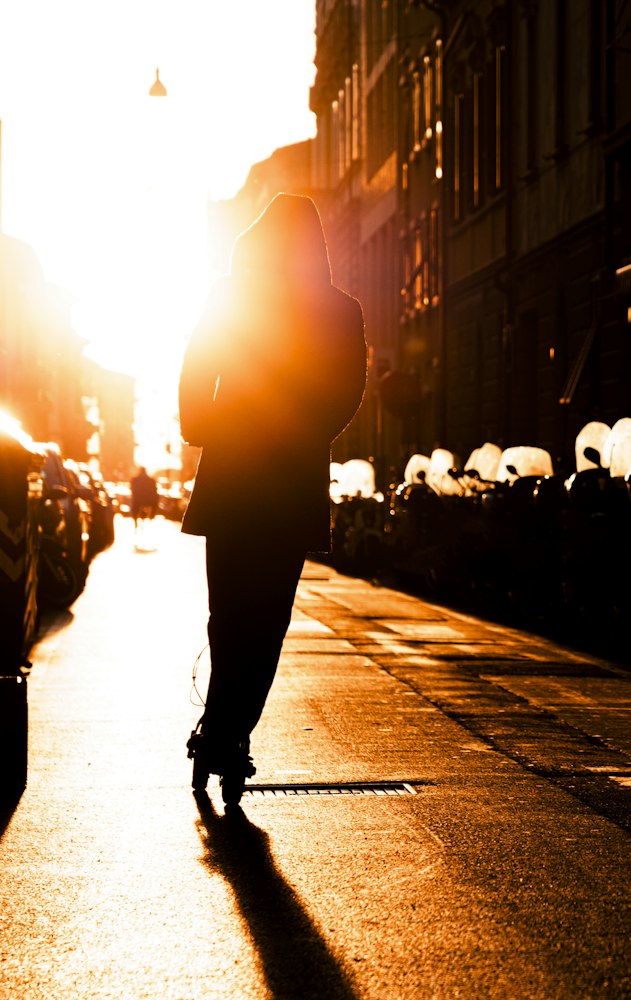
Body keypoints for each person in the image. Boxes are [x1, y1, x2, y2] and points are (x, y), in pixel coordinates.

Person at [179, 193, 367, 803]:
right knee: (267, 623)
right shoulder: (340, 309)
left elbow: (195, 363)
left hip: (233, 477)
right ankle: (232, 736)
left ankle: (218, 732)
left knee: (227, 614)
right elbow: (348, 392)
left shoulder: (231, 293)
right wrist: (306, 434)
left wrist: (202, 424)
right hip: (288, 486)